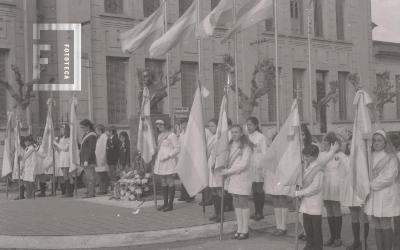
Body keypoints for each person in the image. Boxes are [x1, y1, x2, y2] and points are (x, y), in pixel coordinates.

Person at [295, 142, 339, 250]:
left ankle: (317, 247)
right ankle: (309, 245)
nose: (305, 158)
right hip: (306, 204)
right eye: (305, 155)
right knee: (308, 228)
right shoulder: (306, 167)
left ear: (314, 156)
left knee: (316, 230)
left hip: (315, 203)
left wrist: (299, 193)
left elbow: (316, 188)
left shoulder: (318, 169)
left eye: (307, 156)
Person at [364, 130, 400, 250]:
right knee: (376, 224)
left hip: (386, 194)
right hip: (374, 195)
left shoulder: (391, 157)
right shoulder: (369, 156)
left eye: (379, 140)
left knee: (385, 224)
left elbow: (389, 178)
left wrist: (370, 184)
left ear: (385, 142)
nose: (376, 143)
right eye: (374, 140)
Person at [220, 124, 252, 240]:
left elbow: (243, 164)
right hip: (232, 178)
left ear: (241, 133)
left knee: (243, 202)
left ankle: (245, 229)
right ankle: (239, 227)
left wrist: (229, 171)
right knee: (236, 201)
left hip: (242, 177)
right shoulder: (229, 145)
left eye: (236, 132)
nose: (234, 134)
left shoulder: (246, 147)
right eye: (232, 132)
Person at [340, 133, 370, 250]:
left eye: (352, 143)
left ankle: (364, 242)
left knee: (364, 216)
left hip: (361, 188)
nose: (349, 146)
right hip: (350, 188)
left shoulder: (363, 158)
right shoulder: (346, 157)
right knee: (353, 216)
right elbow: (346, 171)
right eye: (348, 144)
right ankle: (356, 241)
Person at [321, 132, 346, 247]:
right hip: (326, 184)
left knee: (336, 209)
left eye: (326, 144)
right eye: (324, 144)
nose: (324, 146)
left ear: (333, 144)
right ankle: (332, 237)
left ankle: (338, 237)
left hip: (336, 184)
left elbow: (347, 169)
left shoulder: (340, 155)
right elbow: (321, 164)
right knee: (329, 210)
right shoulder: (323, 155)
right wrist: (329, 152)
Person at [153, 119, 179, 212]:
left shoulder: (172, 135)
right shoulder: (160, 136)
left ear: (165, 125)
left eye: (161, 125)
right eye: (158, 126)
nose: (159, 127)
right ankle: (165, 204)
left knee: (170, 181)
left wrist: (168, 156)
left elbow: (177, 149)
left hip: (168, 161)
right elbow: (160, 148)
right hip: (161, 161)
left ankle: (170, 205)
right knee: (163, 181)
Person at [246, 117, 267, 221]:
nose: (248, 127)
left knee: (259, 189)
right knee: (254, 189)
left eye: (250, 125)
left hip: (258, 164)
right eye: (247, 125)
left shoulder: (261, 137)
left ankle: (260, 212)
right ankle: (256, 211)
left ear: (256, 125)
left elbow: (264, 152)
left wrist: (252, 145)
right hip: (250, 164)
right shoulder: (246, 136)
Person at [206, 118, 223, 221]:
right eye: (209, 126)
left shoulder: (220, 137)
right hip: (210, 164)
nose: (210, 128)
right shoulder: (211, 138)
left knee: (218, 189)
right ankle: (216, 212)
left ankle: (221, 214)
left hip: (217, 166)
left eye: (212, 126)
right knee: (213, 189)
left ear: (218, 126)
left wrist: (216, 164)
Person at [53, 124, 74, 198]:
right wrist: (55, 146)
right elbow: (60, 149)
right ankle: (70, 191)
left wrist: (56, 144)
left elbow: (65, 148)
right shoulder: (61, 138)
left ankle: (69, 191)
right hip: (61, 157)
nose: (61, 130)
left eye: (63, 129)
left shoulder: (69, 138)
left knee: (66, 174)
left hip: (66, 156)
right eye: (61, 129)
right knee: (66, 174)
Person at [79, 119, 97, 198]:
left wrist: (86, 159)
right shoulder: (86, 135)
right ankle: (90, 191)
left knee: (90, 177)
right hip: (84, 159)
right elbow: (83, 148)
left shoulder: (92, 135)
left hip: (89, 160)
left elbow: (91, 149)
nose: (82, 129)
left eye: (83, 127)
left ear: (88, 126)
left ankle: (91, 193)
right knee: (86, 177)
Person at [177, 119, 194, 202]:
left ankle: (190, 196)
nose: (184, 125)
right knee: (183, 177)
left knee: (189, 178)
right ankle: (183, 195)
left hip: (189, 158)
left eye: (185, 124)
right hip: (182, 157)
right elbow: (179, 146)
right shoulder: (181, 134)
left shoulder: (191, 134)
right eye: (182, 124)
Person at [95, 124, 109, 195]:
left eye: (96, 130)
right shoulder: (99, 137)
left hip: (102, 159)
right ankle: (101, 189)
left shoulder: (104, 137)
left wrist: (103, 158)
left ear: (100, 130)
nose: (96, 132)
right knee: (99, 175)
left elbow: (104, 148)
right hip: (98, 159)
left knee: (103, 175)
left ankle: (104, 189)